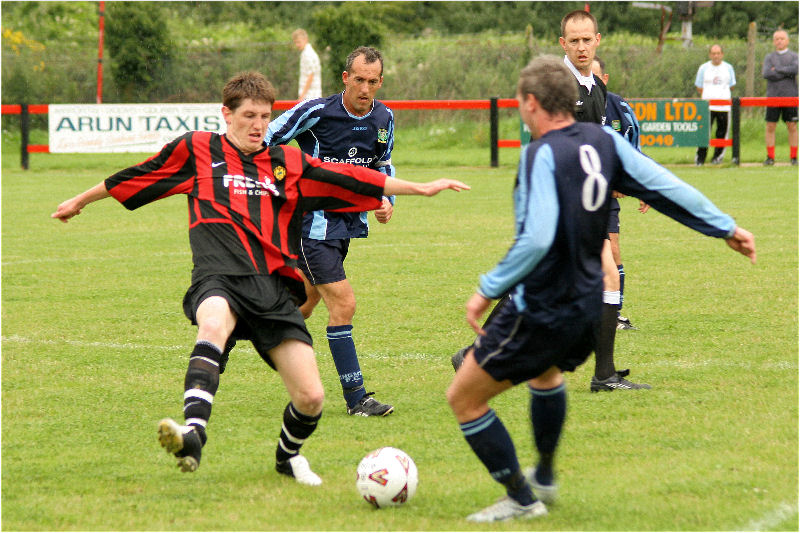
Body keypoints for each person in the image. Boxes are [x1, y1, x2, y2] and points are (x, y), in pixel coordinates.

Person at [51, 71, 469, 483]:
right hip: (219, 277)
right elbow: (139, 174)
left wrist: (418, 187)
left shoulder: (286, 163)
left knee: (311, 397)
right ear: (226, 114)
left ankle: (288, 457)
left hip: (272, 290)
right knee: (213, 322)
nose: (258, 125)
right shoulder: (197, 149)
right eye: (249, 115)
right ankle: (193, 434)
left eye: (265, 116)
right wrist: (81, 199)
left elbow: (350, 177)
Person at [446, 54, 756, 523]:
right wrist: (724, 227)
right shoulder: (605, 140)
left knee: (463, 399)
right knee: (546, 376)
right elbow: (664, 185)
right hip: (591, 302)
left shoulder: (539, 153)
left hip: (543, 304)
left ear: (531, 104)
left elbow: (536, 237)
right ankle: (546, 477)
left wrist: (488, 288)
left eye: (520, 105)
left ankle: (521, 499)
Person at [265, 46, 397, 416]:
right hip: (310, 225)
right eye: (359, 80)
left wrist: (387, 200)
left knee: (303, 307)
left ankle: (235, 327)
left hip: (346, 226)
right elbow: (267, 138)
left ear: (380, 82)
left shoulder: (384, 118)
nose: (365, 88)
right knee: (344, 303)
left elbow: (382, 165)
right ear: (345, 78)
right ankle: (357, 398)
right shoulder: (317, 112)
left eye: (372, 82)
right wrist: (274, 180)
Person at [591, 56, 650, 331]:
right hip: (574, 196)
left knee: (611, 250)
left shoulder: (620, 107)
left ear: (605, 78)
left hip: (606, 198)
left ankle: (613, 315)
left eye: (595, 77)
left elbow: (633, 147)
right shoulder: (568, 106)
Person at [694, 44, 736, 166]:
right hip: (707, 107)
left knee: (721, 133)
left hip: (724, 106)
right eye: (713, 53)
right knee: (703, 133)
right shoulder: (703, 68)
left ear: (722, 54)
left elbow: (732, 85)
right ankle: (700, 159)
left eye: (718, 53)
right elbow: (699, 87)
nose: (716, 56)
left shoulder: (728, 68)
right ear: (710, 55)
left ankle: (717, 158)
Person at [762, 29, 798, 166]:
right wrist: (785, 71)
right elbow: (766, 73)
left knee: (792, 126)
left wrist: (777, 69)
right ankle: (770, 157)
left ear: (787, 40)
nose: (779, 41)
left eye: (782, 38)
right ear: (773, 41)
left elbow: (795, 70)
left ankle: (794, 157)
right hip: (773, 96)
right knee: (770, 126)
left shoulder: (794, 56)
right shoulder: (769, 57)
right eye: (777, 39)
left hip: (790, 96)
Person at [292, 29, 322, 101]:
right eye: (295, 42)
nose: (297, 45)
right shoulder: (307, 52)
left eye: (299, 42)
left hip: (310, 96)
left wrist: (302, 96)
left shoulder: (307, 54)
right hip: (312, 96)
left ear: (306, 40)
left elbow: (310, 75)